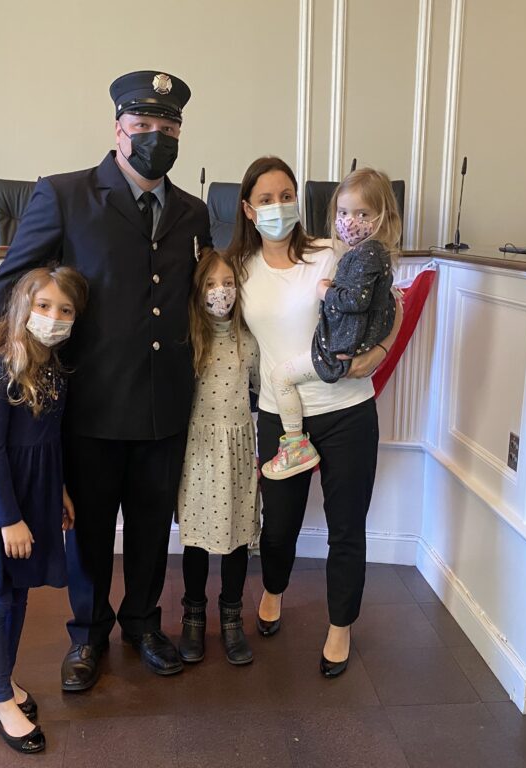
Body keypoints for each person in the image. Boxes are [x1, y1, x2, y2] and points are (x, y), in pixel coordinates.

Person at [0, 70, 211, 691]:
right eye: (144, 126)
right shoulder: (66, 194)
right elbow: (10, 286)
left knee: (153, 525)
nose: (156, 136)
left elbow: (199, 300)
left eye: (168, 127)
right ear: (118, 129)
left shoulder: (192, 211)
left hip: (165, 403)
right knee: (90, 530)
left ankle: (142, 624)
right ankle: (87, 636)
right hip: (92, 405)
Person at [228, 156, 398, 678]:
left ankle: (340, 626)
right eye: (266, 198)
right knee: (278, 526)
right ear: (248, 210)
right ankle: (274, 589)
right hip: (280, 417)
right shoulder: (237, 270)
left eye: (286, 195)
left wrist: (382, 351)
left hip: (347, 410)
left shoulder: (333, 252)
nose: (278, 206)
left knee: (347, 527)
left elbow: (389, 305)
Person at [0, 265, 89, 754]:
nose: (54, 317)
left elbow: (48, 443)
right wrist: (9, 518)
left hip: (39, 494)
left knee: (20, 595)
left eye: (65, 310)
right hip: (2, 504)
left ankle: (5, 682)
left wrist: (59, 493)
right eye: (44, 306)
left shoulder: (54, 368)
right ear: (22, 308)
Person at [262, 168, 399, 480]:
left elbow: (383, 302)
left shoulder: (356, 255)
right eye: (343, 212)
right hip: (335, 352)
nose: (350, 221)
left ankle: (295, 444)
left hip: (336, 361)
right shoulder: (360, 253)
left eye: (362, 213)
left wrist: (326, 292)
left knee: (280, 376)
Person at [175, 247, 259, 666]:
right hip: (200, 452)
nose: (220, 291)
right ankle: (193, 616)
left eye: (228, 283)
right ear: (198, 290)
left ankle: (231, 616)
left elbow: (263, 389)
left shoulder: (249, 339)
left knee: (236, 539)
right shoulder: (190, 337)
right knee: (196, 539)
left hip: (239, 451)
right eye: (211, 284)